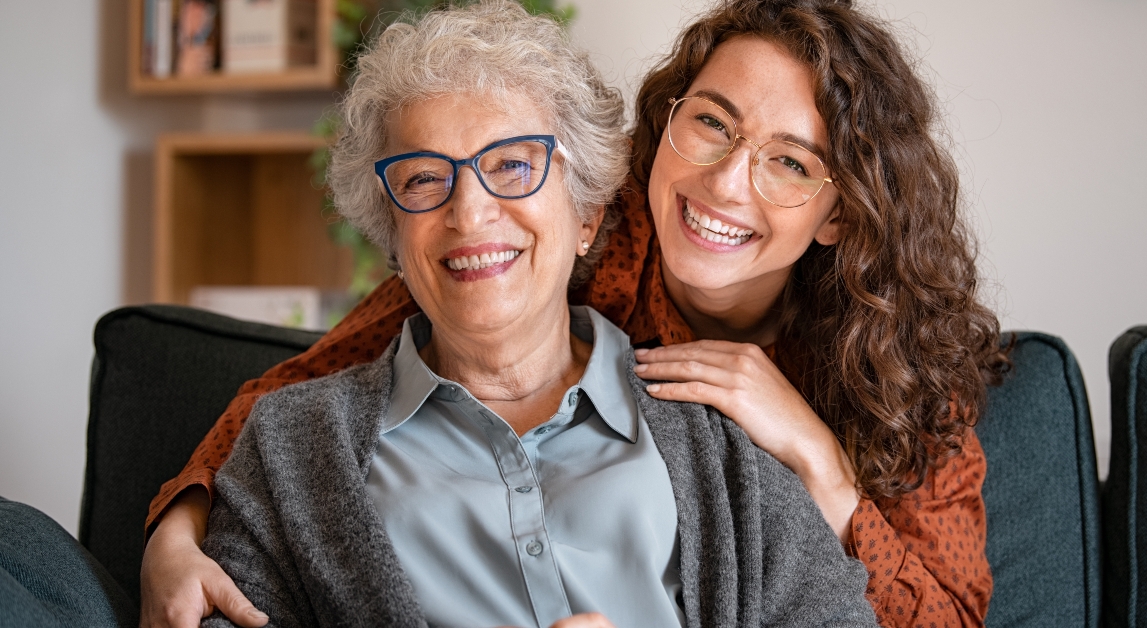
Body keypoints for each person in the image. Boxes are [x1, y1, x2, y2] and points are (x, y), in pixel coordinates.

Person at [141, 0, 1007, 626]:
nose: (725, 183)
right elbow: (297, 402)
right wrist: (178, 530)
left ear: (840, 212)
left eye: (790, 162)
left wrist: (818, 463)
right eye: (713, 123)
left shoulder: (898, 367)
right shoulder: (573, 238)